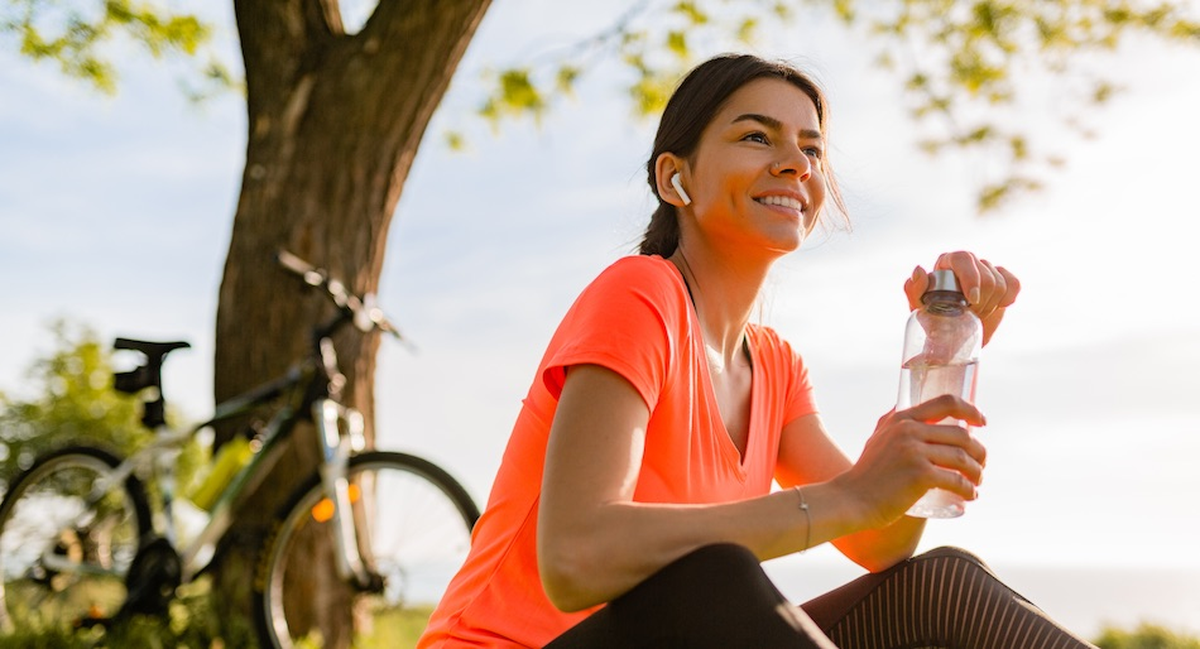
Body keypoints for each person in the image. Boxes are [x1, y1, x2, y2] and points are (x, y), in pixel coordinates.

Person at [418, 53, 1097, 648]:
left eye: (812, 147)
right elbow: (576, 556)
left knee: (940, 584)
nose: (795, 163)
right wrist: (852, 494)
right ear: (675, 178)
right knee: (718, 576)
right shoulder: (640, 294)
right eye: (756, 136)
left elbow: (880, 538)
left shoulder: (774, 364)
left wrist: (944, 360)